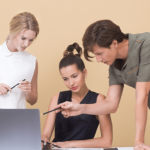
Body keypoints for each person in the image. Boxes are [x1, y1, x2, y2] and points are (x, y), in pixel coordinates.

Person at [55, 20, 150, 149]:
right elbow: (111, 103)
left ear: (114, 43)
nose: (98, 60)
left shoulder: (146, 44)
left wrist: (138, 141)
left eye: (99, 53)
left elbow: (142, 95)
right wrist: (79, 108)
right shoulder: (114, 63)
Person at [41, 43, 112, 148]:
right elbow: (46, 135)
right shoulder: (56, 98)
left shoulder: (99, 100)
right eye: (65, 79)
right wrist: (43, 141)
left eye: (74, 76)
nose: (71, 83)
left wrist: (68, 144)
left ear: (85, 72)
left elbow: (107, 142)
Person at [0, 12, 39, 108]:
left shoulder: (32, 61)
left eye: (31, 40)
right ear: (12, 32)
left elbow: (33, 101)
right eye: (23, 38)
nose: (26, 44)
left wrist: (28, 92)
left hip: (16, 119)